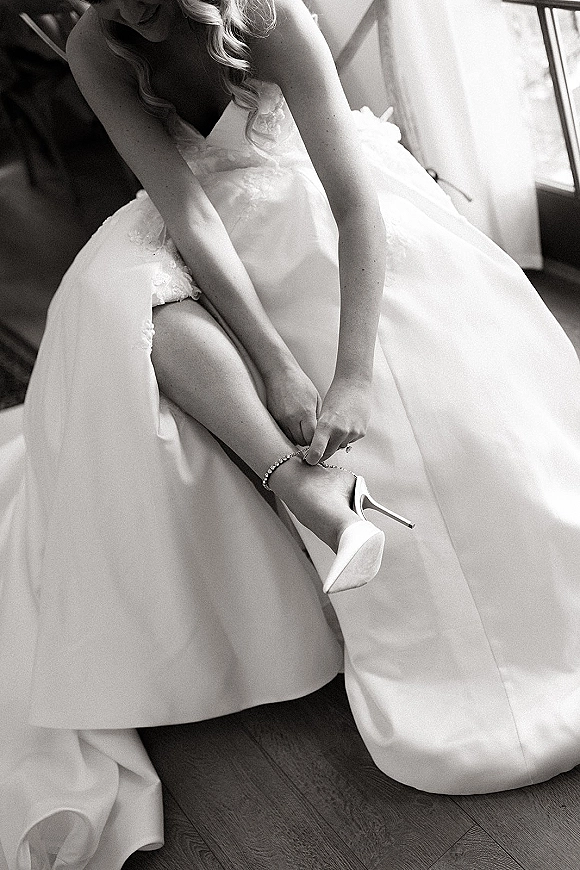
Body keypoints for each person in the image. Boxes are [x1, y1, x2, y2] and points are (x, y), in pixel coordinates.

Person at [2, 0, 580, 866]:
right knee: (115, 294)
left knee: (433, 400)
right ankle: (300, 485)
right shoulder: (95, 42)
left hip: (326, 202)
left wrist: (349, 374)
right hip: (202, 226)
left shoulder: (268, 14)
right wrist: (274, 363)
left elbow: (352, 203)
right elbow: (185, 209)